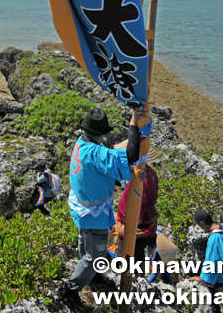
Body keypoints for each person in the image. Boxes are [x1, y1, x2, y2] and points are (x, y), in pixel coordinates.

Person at [57, 107, 150, 310]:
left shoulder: (81, 144)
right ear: (104, 134)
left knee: (85, 241)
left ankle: (93, 276)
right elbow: (131, 155)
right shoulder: (97, 152)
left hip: (81, 206)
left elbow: (99, 171)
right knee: (95, 256)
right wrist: (133, 125)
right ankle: (69, 289)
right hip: (94, 215)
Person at [188, 209, 223, 313]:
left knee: (207, 284)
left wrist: (202, 278)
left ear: (202, 223)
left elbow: (213, 262)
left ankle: (215, 309)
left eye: (199, 226)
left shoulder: (215, 238)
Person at [115, 162, 160, 267]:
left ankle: (125, 280)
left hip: (135, 227)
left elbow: (139, 206)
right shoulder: (149, 172)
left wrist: (128, 228)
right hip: (141, 224)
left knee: (125, 262)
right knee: (137, 259)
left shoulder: (141, 180)